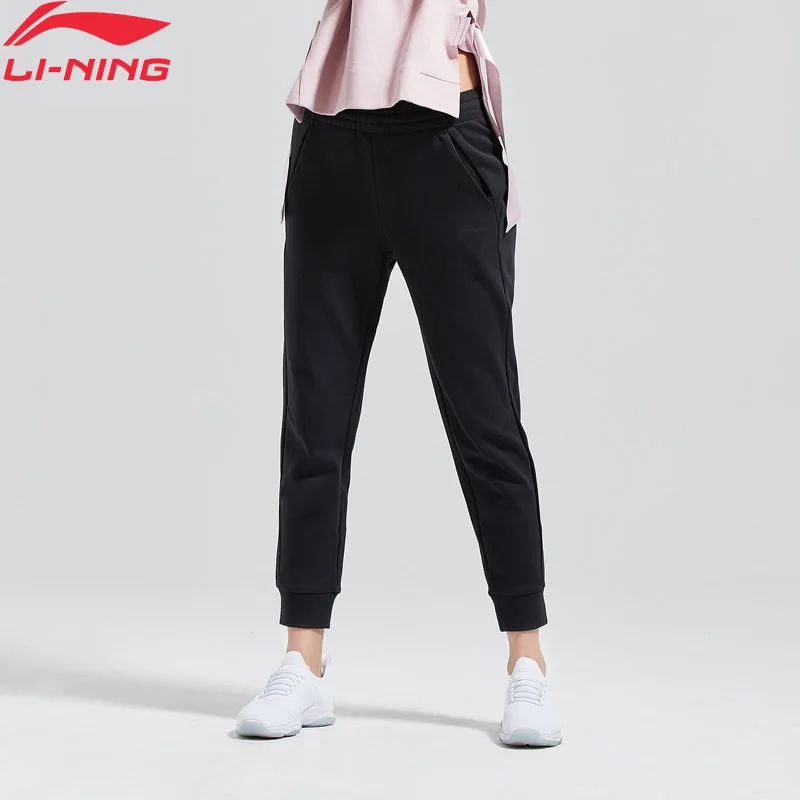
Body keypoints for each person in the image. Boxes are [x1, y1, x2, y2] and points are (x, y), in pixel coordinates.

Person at [236, 0, 563, 747]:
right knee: (314, 416)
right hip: (332, 134)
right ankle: (302, 661)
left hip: (443, 135)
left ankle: (528, 661)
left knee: (485, 416)